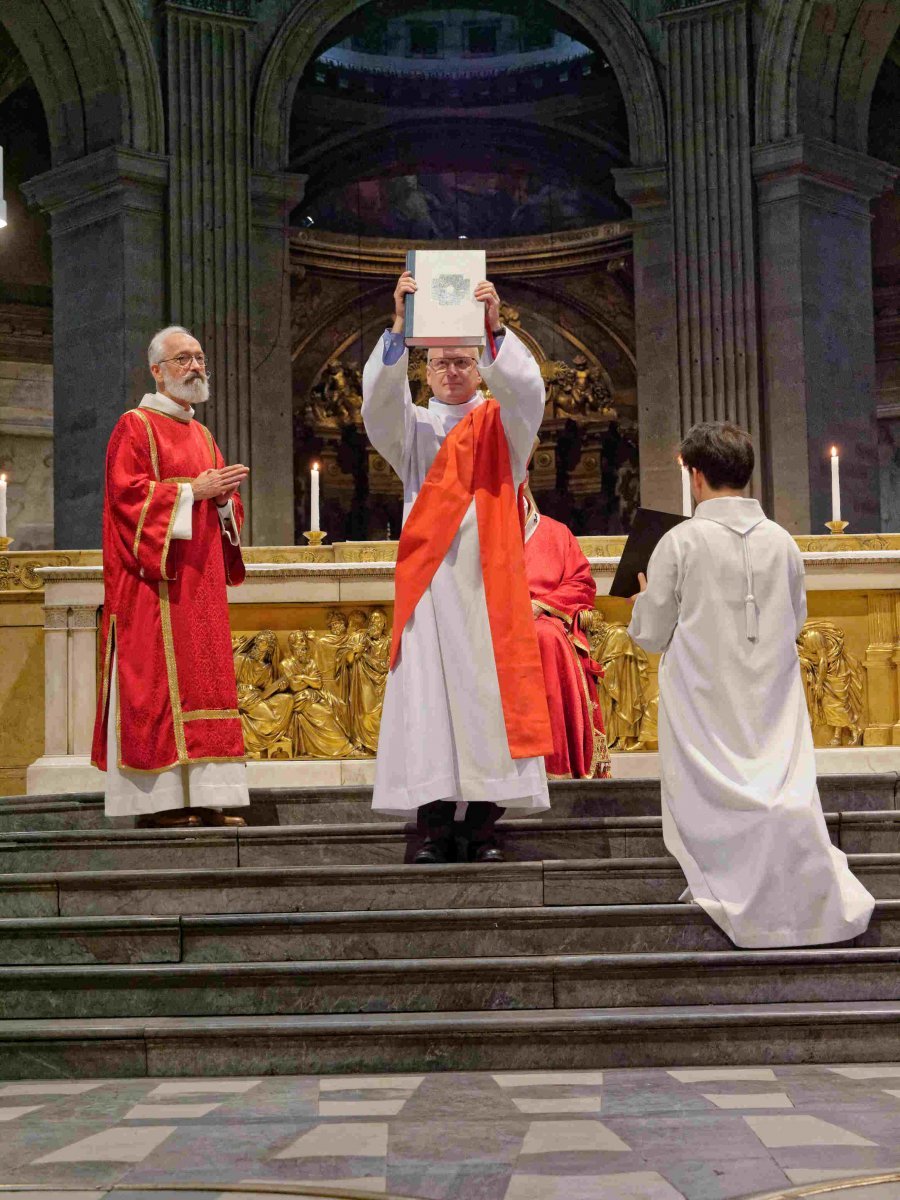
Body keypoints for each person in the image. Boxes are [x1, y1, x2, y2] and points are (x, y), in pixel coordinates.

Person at [628, 421, 873, 948]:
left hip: (703, 693)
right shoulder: (781, 541)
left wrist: (642, 600)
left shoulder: (680, 541)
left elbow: (650, 634)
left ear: (695, 476)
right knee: (776, 784)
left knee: (713, 788)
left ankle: (723, 880)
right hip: (769, 691)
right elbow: (796, 616)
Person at [362, 270, 552, 863]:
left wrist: (495, 330)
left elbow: (528, 395)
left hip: (487, 585)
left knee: (486, 701)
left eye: (462, 361)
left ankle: (485, 826)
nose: (450, 372)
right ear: (424, 369)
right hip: (429, 587)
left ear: (479, 365)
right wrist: (399, 329)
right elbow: (378, 408)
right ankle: (435, 825)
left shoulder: (504, 424)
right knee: (429, 706)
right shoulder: (414, 430)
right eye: (439, 362)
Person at [91, 325, 251, 827]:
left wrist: (223, 500)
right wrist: (193, 492)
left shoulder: (203, 434)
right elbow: (126, 499)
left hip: (198, 585)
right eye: (182, 359)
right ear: (157, 371)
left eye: (199, 357)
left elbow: (221, 504)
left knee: (205, 686)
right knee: (157, 686)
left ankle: (206, 798)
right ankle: (156, 804)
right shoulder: (134, 426)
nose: (196, 366)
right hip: (152, 587)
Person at [522, 483, 611, 779]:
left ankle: (556, 763)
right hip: (493, 622)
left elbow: (581, 582)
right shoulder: (482, 536)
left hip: (546, 620)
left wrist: (543, 605)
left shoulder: (556, 533)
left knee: (546, 638)